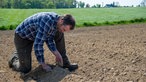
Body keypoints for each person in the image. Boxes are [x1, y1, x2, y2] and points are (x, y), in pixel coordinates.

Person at [8, 12, 78, 74]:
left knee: (59, 34)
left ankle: (65, 63)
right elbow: (38, 45)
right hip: (23, 37)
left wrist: (57, 54)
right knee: (25, 69)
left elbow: (49, 39)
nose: (63, 31)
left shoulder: (56, 23)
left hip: (35, 35)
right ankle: (13, 58)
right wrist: (43, 64)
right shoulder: (47, 21)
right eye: (64, 29)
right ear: (62, 20)